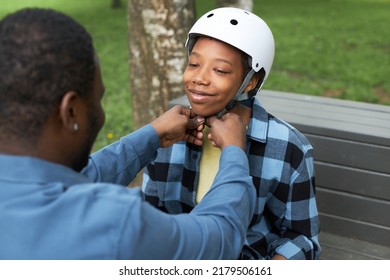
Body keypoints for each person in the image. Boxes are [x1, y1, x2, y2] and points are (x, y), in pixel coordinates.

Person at [0, 7, 257, 260]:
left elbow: (73, 178)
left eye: (220, 70)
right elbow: (217, 240)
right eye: (98, 100)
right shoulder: (113, 223)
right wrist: (234, 151)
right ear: (71, 112)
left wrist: (153, 135)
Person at [142, 7, 321, 260]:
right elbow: (148, 215)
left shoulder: (289, 149)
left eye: (220, 70)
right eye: (194, 64)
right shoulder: (167, 134)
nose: (199, 78)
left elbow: (301, 238)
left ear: (250, 81)